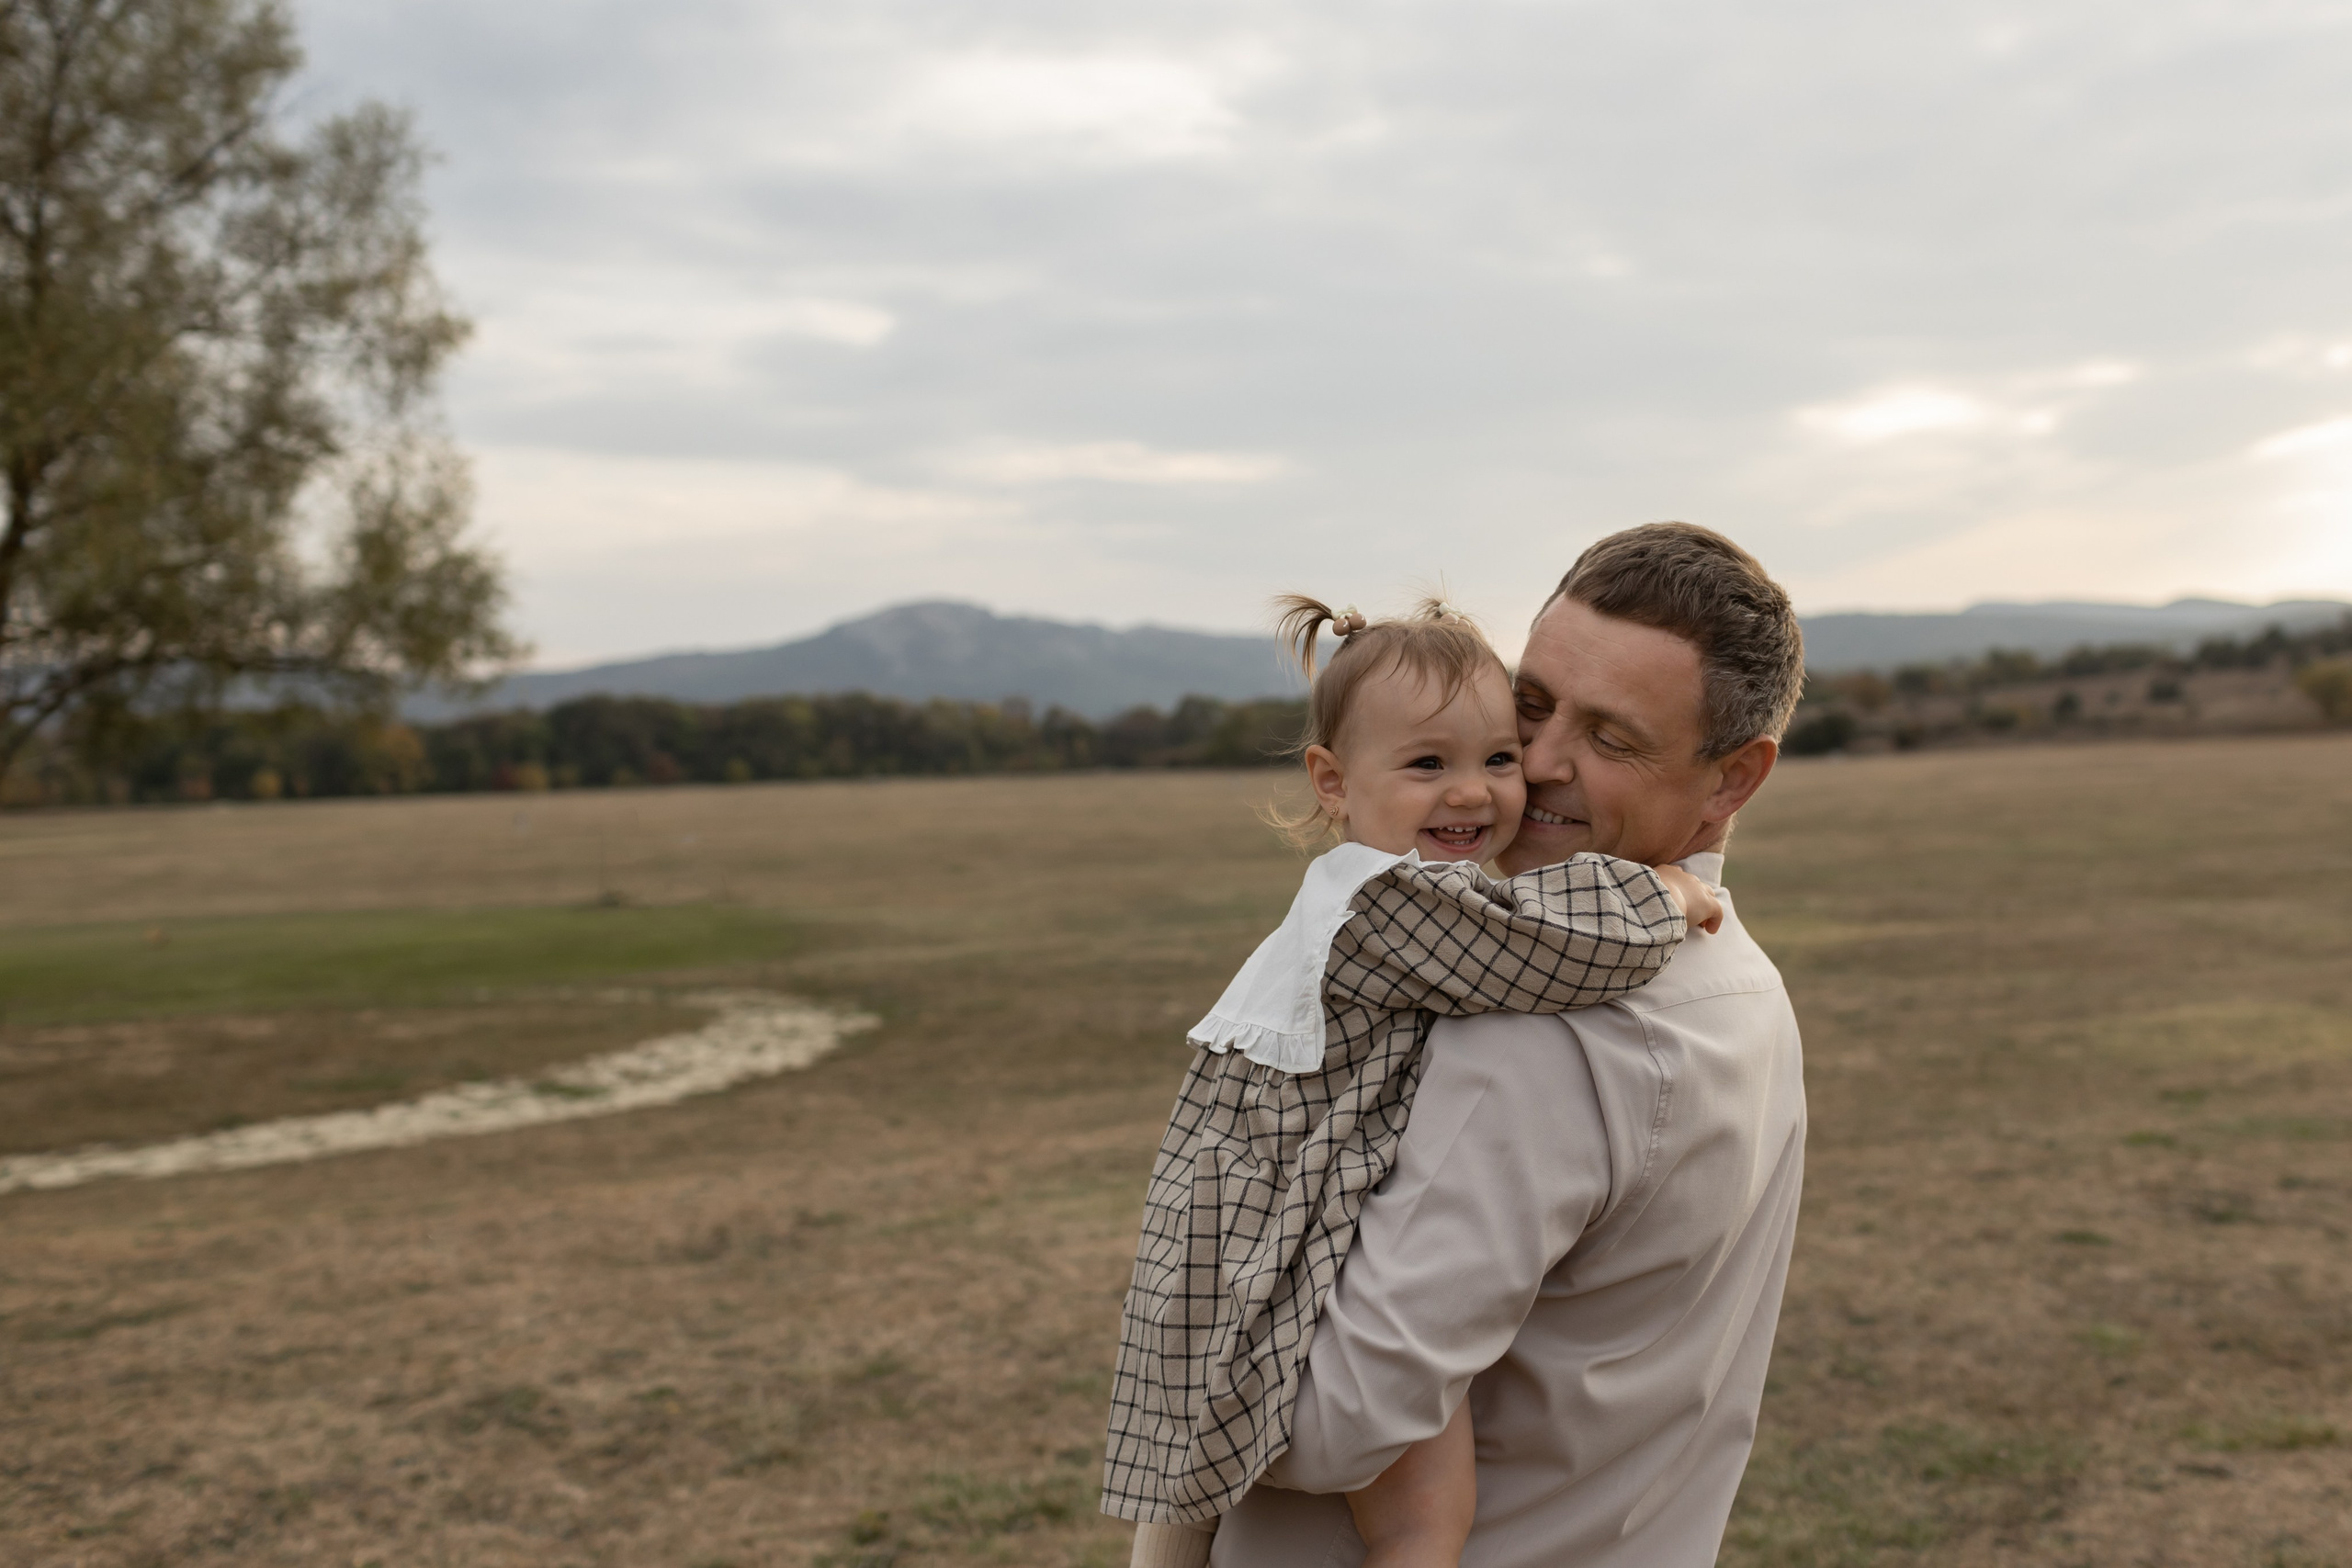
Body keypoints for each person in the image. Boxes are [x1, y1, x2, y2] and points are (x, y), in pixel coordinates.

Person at [1208, 523, 1808, 1567]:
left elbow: (1330, 1421)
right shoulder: (1743, 983)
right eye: (1530, 705)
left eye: (1611, 739)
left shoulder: (1537, 1035)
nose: (1534, 762)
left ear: (1731, 781)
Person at [1104, 594, 1723, 1568]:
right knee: (1423, 1510)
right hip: (1277, 1216)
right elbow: (1558, 948)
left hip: (1247, 1208)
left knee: (1190, 1492)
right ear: (1333, 782)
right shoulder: (1383, 902)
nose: (1473, 794)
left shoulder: (1377, 891)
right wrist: (1675, 891)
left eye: (1496, 759)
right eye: (1428, 764)